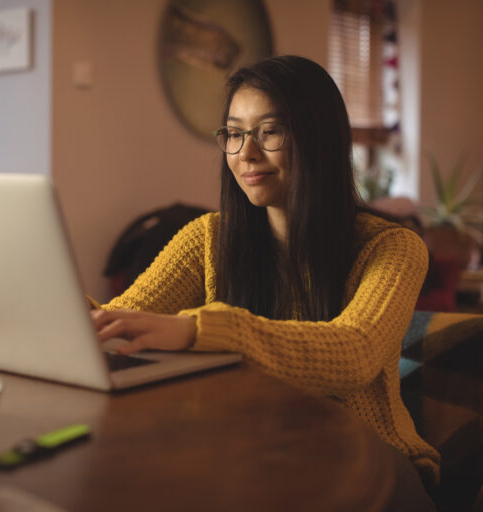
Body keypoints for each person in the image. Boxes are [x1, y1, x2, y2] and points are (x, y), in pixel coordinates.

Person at [91, 55, 439, 507]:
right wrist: (73, 312)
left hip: (373, 465)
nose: (246, 154)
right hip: (255, 455)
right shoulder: (207, 238)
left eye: (269, 131)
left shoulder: (392, 247)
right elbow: (126, 315)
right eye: (234, 134)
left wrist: (201, 329)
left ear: (318, 139)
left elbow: (353, 352)